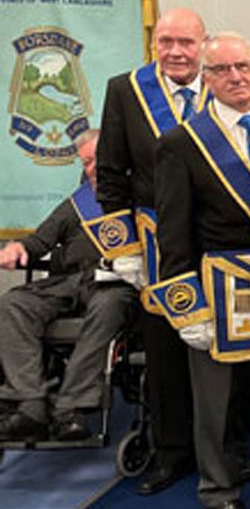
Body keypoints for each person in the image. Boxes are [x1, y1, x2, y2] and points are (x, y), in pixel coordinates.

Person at [148, 32, 250, 509]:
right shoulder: (181, 142)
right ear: (206, 78)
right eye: (222, 70)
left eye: (244, 67)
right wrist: (185, 304)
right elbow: (172, 231)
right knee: (215, 402)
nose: (235, 77)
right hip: (218, 286)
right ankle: (218, 488)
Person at [95, 7, 207, 495]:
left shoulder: (226, 82)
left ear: (203, 44)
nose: (176, 51)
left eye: (186, 41)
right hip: (155, 245)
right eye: (167, 42)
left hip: (214, 242)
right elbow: (110, 174)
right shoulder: (126, 90)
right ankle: (172, 452)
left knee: (222, 350)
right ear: (154, 44)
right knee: (164, 353)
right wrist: (123, 249)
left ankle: (227, 450)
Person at [0, 131, 136, 442]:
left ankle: (69, 408)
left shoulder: (141, 196)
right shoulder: (78, 203)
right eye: (87, 162)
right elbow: (39, 241)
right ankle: (30, 403)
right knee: (13, 304)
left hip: (116, 284)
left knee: (109, 305)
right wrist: (18, 249)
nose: (92, 167)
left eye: (98, 159)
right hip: (69, 281)